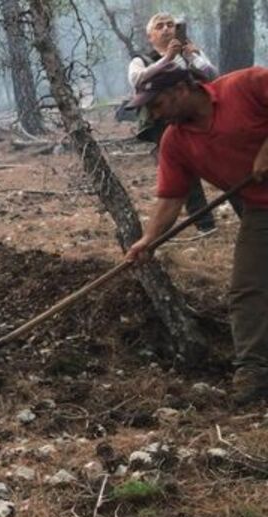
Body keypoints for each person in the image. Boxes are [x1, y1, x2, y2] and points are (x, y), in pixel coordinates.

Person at [124, 67, 268, 404]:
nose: (153, 115)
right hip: (262, 209)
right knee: (247, 288)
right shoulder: (175, 142)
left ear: (180, 89)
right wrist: (149, 240)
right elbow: (172, 196)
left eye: (156, 104)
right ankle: (254, 372)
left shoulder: (246, 85)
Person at [128, 12, 221, 236]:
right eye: (160, 26)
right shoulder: (141, 60)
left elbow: (212, 76)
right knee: (182, 169)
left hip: (196, 116)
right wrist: (167, 59)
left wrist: (193, 56)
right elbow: (137, 79)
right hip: (162, 121)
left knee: (219, 159)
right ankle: (205, 223)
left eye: (170, 25)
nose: (166, 29)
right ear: (150, 36)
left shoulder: (189, 52)